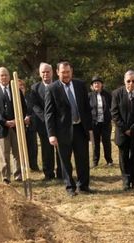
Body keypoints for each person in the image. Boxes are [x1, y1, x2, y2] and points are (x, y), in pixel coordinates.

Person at [44, 61, 93, 196]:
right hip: (62, 131)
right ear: (57, 72)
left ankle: (83, 186)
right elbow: (48, 113)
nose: (65, 75)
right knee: (65, 161)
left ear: (71, 71)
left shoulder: (80, 85)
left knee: (83, 159)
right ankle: (70, 187)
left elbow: (86, 108)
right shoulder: (52, 89)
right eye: (63, 72)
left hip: (80, 128)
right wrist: (51, 134)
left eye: (68, 72)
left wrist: (89, 127)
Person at [110, 70, 134, 190]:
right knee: (123, 156)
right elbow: (114, 113)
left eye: (133, 81)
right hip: (122, 132)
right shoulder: (117, 93)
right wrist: (125, 129)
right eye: (128, 81)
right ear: (124, 81)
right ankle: (126, 180)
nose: (131, 84)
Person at [0, 66, 26, 183]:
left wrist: (17, 120)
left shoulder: (16, 89)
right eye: (1, 75)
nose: (4, 77)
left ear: (9, 76)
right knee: (4, 154)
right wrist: (4, 122)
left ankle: (18, 175)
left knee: (17, 152)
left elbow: (23, 107)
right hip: (2, 127)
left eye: (6, 75)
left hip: (16, 126)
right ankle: (5, 177)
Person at [31, 62, 62, 181]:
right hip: (43, 124)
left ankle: (61, 172)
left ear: (52, 72)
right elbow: (34, 106)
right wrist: (46, 118)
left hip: (59, 123)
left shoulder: (59, 85)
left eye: (47, 71)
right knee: (46, 150)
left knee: (60, 149)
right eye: (43, 72)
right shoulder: (35, 88)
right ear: (40, 73)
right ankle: (48, 173)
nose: (45, 74)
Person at [89, 76, 113, 167]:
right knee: (95, 143)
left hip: (105, 123)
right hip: (94, 123)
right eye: (94, 83)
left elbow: (112, 107)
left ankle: (109, 160)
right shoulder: (89, 96)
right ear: (92, 85)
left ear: (101, 84)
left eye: (98, 83)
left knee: (106, 142)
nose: (96, 84)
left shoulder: (107, 95)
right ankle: (95, 161)